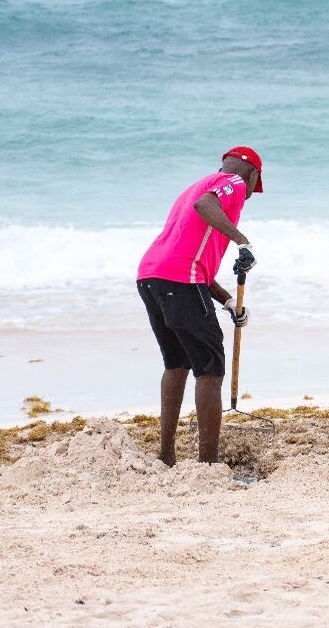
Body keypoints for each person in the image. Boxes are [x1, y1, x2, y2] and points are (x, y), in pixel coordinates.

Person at [136, 147, 263, 465]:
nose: (249, 196)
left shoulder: (193, 187)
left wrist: (228, 301)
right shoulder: (233, 182)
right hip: (179, 280)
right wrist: (242, 241)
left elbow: (190, 261)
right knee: (210, 367)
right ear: (252, 175)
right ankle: (209, 464)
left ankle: (166, 456)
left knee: (176, 363)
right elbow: (206, 205)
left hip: (151, 277)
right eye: (255, 188)